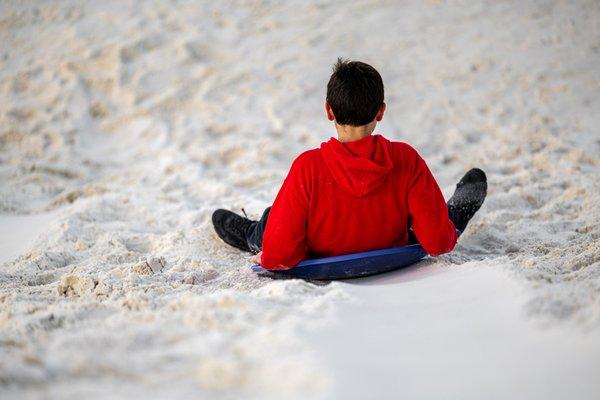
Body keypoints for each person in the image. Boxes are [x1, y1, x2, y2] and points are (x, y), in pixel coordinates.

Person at [212, 58, 487, 270]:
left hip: (323, 252)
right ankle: (456, 213)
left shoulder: (308, 167)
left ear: (328, 110)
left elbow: (279, 255)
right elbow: (438, 243)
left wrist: (269, 257)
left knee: (275, 219)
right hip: (387, 242)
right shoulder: (405, 159)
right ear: (381, 111)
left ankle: (252, 234)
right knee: (438, 219)